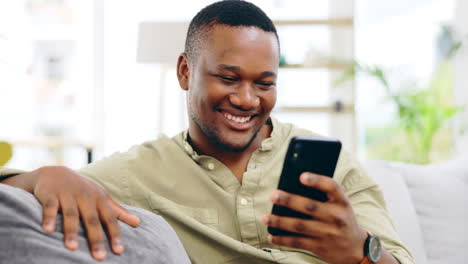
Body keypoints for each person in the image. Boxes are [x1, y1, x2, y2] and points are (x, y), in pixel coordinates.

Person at [1, 1, 415, 263]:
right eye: (228, 78)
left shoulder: (333, 165)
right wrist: (42, 175)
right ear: (185, 72)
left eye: (265, 83)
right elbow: (15, 203)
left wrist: (361, 252)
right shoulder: (136, 173)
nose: (248, 99)